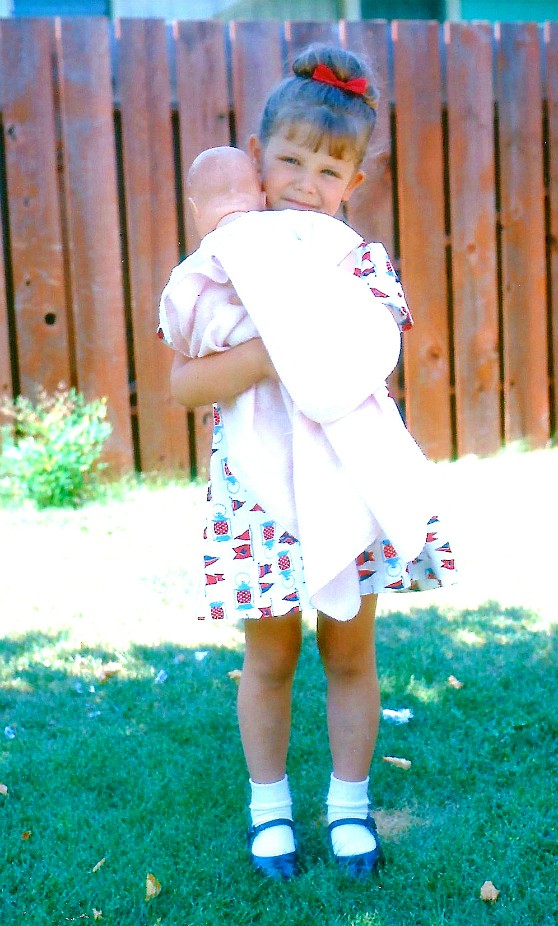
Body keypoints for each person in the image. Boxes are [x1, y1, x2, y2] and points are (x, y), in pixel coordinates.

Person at [162, 44, 457, 882]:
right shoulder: (223, 263)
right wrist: (267, 350)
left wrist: (296, 331)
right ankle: (270, 810)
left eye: (330, 169)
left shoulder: (358, 264)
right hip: (257, 501)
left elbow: (366, 357)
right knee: (271, 657)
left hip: (346, 488)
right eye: (289, 160)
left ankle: (350, 806)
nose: (305, 181)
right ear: (256, 161)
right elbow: (187, 382)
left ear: (354, 183)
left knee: (351, 653)